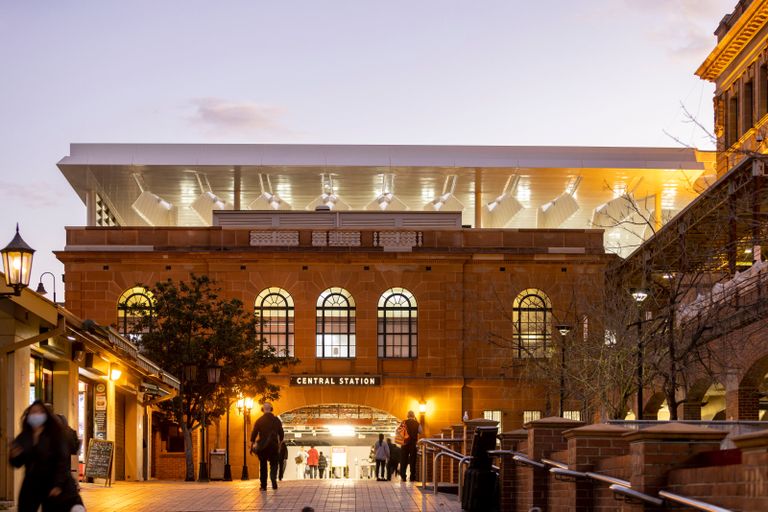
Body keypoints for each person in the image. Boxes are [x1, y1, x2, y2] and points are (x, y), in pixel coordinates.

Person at [8, 400, 84, 512]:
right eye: (33, 412)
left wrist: (58, 484)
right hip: (31, 483)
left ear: (46, 416)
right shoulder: (24, 436)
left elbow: (62, 461)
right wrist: (14, 456)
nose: (36, 415)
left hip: (52, 482)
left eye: (39, 412)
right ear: (28, 415)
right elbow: (17, 463)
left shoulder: (55, 435)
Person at [249, 402, 284, 491]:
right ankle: (273, 480)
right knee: (274, 464)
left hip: (263, 446)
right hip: (273, 445)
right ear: (271, 409)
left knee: (263, 465)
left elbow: (254, 432)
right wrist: (279, 443)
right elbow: (281, 433)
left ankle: (263, 486)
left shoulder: (259, 420)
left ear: (263, 409)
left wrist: (252, 443)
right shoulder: (277, 420)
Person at [399, 410, 423, 482]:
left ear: (407, 415)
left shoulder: (404, 422)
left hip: (405, 443)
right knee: (413, 460)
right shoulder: (417, 423)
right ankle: (412, 477)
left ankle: (403, 476)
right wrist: (417, 421)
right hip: (413, 444)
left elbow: (399, 431)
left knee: (404, 460)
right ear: (414, 416)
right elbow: (421, 431)